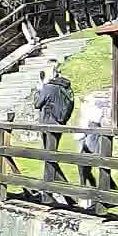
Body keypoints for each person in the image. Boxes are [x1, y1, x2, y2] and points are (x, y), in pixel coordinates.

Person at [32, 70, 76, 202]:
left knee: (49, 159)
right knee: (50, 158)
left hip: (48, 125)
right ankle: (65, 195)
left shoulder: (48, 88)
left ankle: (53, 195)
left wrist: (39, 90)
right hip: (59, 125)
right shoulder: (65, 87)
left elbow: (37, 104)